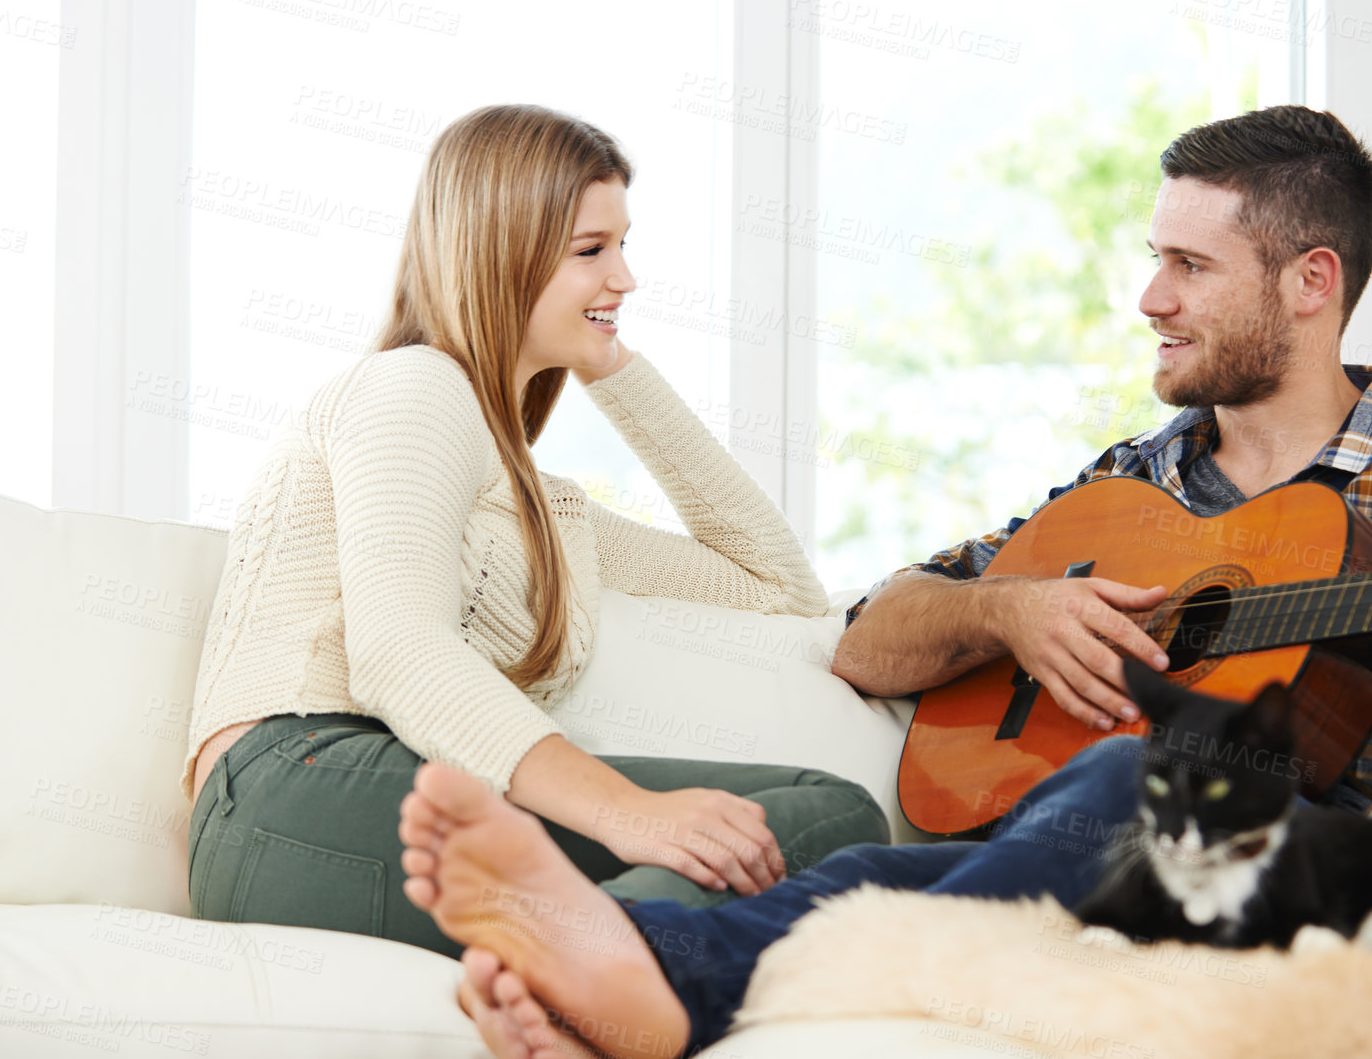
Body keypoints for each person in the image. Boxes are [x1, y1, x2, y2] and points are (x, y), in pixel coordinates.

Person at [395, 105, 1372, 1059]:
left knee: (1132, 775)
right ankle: (642, 976)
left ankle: (649, 967)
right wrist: (1008, 607)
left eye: (1188, 267)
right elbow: (865, 639)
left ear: (1308, 283)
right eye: (1153, 258)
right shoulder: (1128, 487)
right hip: (1136, 876)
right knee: (868, 870)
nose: (1147, 297)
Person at [183, 104, 890, 960]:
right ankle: (614, 960)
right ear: (498, 254)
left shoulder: (538, 508)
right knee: (819, 822)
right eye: (591, 251)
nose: (624, 277)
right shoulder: (412, 389)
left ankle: (604, 973)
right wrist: (627, 811)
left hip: (397, 789)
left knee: (827, 813)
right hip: (291, 793)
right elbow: (397, 650)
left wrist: (615, 370)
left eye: (623, 246)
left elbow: (777, 589)